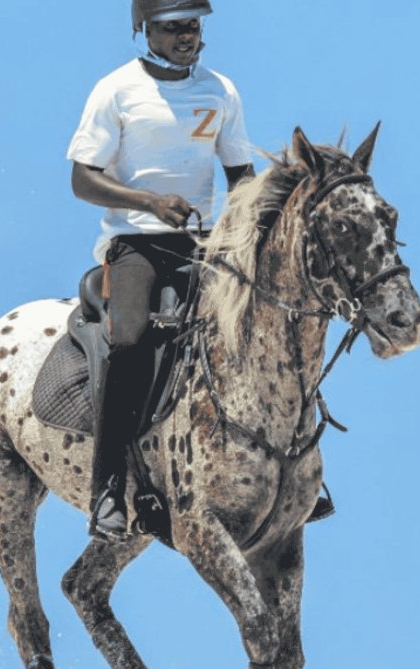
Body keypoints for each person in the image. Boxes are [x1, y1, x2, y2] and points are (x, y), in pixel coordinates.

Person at [67, 1, 256, 538]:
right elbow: (82, 179)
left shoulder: (220, 91)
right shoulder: (116, 90)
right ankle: (107, 489)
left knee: (263, 325)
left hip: (201, 244)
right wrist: (149, 203)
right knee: (129, 341)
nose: (186, 37)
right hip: (136, 243)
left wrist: (250, 229)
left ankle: (291, 468)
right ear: (145, 31)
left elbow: (241, 176)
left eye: (192, 26)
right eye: (172, 28)